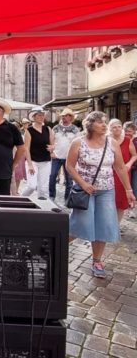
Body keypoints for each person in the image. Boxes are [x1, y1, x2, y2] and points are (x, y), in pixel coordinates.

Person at [66, 111, 135, 278]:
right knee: (79, 226)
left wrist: (128, 190)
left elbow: (119, 167)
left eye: (105, 122)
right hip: (84, 191)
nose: (104, 125)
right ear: (90, 125)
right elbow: (70, 166)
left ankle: (97, 261)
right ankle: (56, 247)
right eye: (100, 122)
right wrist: (83, 184)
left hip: (106, 191)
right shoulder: (78, 143)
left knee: (103, 227)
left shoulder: (111, 143)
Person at [108, 118, 137, 223]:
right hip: (108, 173)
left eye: (119, 126)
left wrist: (129, 164)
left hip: (123, 172)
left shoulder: (127, 140)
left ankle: (116, 225)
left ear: (122, 128)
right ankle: (108, 223)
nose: (117, 129)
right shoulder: (106, 140)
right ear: (109, 129)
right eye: (114, 127)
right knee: (109, 199)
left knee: (121, 200)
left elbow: (134, 155)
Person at [22, 107, 54, 198]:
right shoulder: (29, 131)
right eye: (39, 115)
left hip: (45, 161)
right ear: (34, 117)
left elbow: (52, 145)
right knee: (32, 186)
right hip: (33, 161)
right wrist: (30, 164)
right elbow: (26, 149)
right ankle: (20, 199)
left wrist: (52, 148)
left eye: (43, 115)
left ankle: (42, 207)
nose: (42, 117)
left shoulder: (48, 129)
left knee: (43, 188)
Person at [49, 108, 80, 201]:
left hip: (69, 158)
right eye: (62, 116)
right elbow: (51, 140)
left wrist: (75, 157)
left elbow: (78, 143)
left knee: (69, 179)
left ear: (71, 117)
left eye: (66, 116)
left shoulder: (75, 129)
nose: (64, 117)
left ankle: (67, 198)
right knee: (52, 175)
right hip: (56, 156)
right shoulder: (56, 128)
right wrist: (51, 152)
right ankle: (51, 196)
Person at [124, 121, 137, 218]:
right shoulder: (122, 140)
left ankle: (132, 208)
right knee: (126, 187)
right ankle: (128, 206)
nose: (128, 133)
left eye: (130, 131)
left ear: (134, 131)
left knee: (133, 188)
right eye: (126, 131)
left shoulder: (136, 141)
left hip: (135, 168)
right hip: (124, 168)